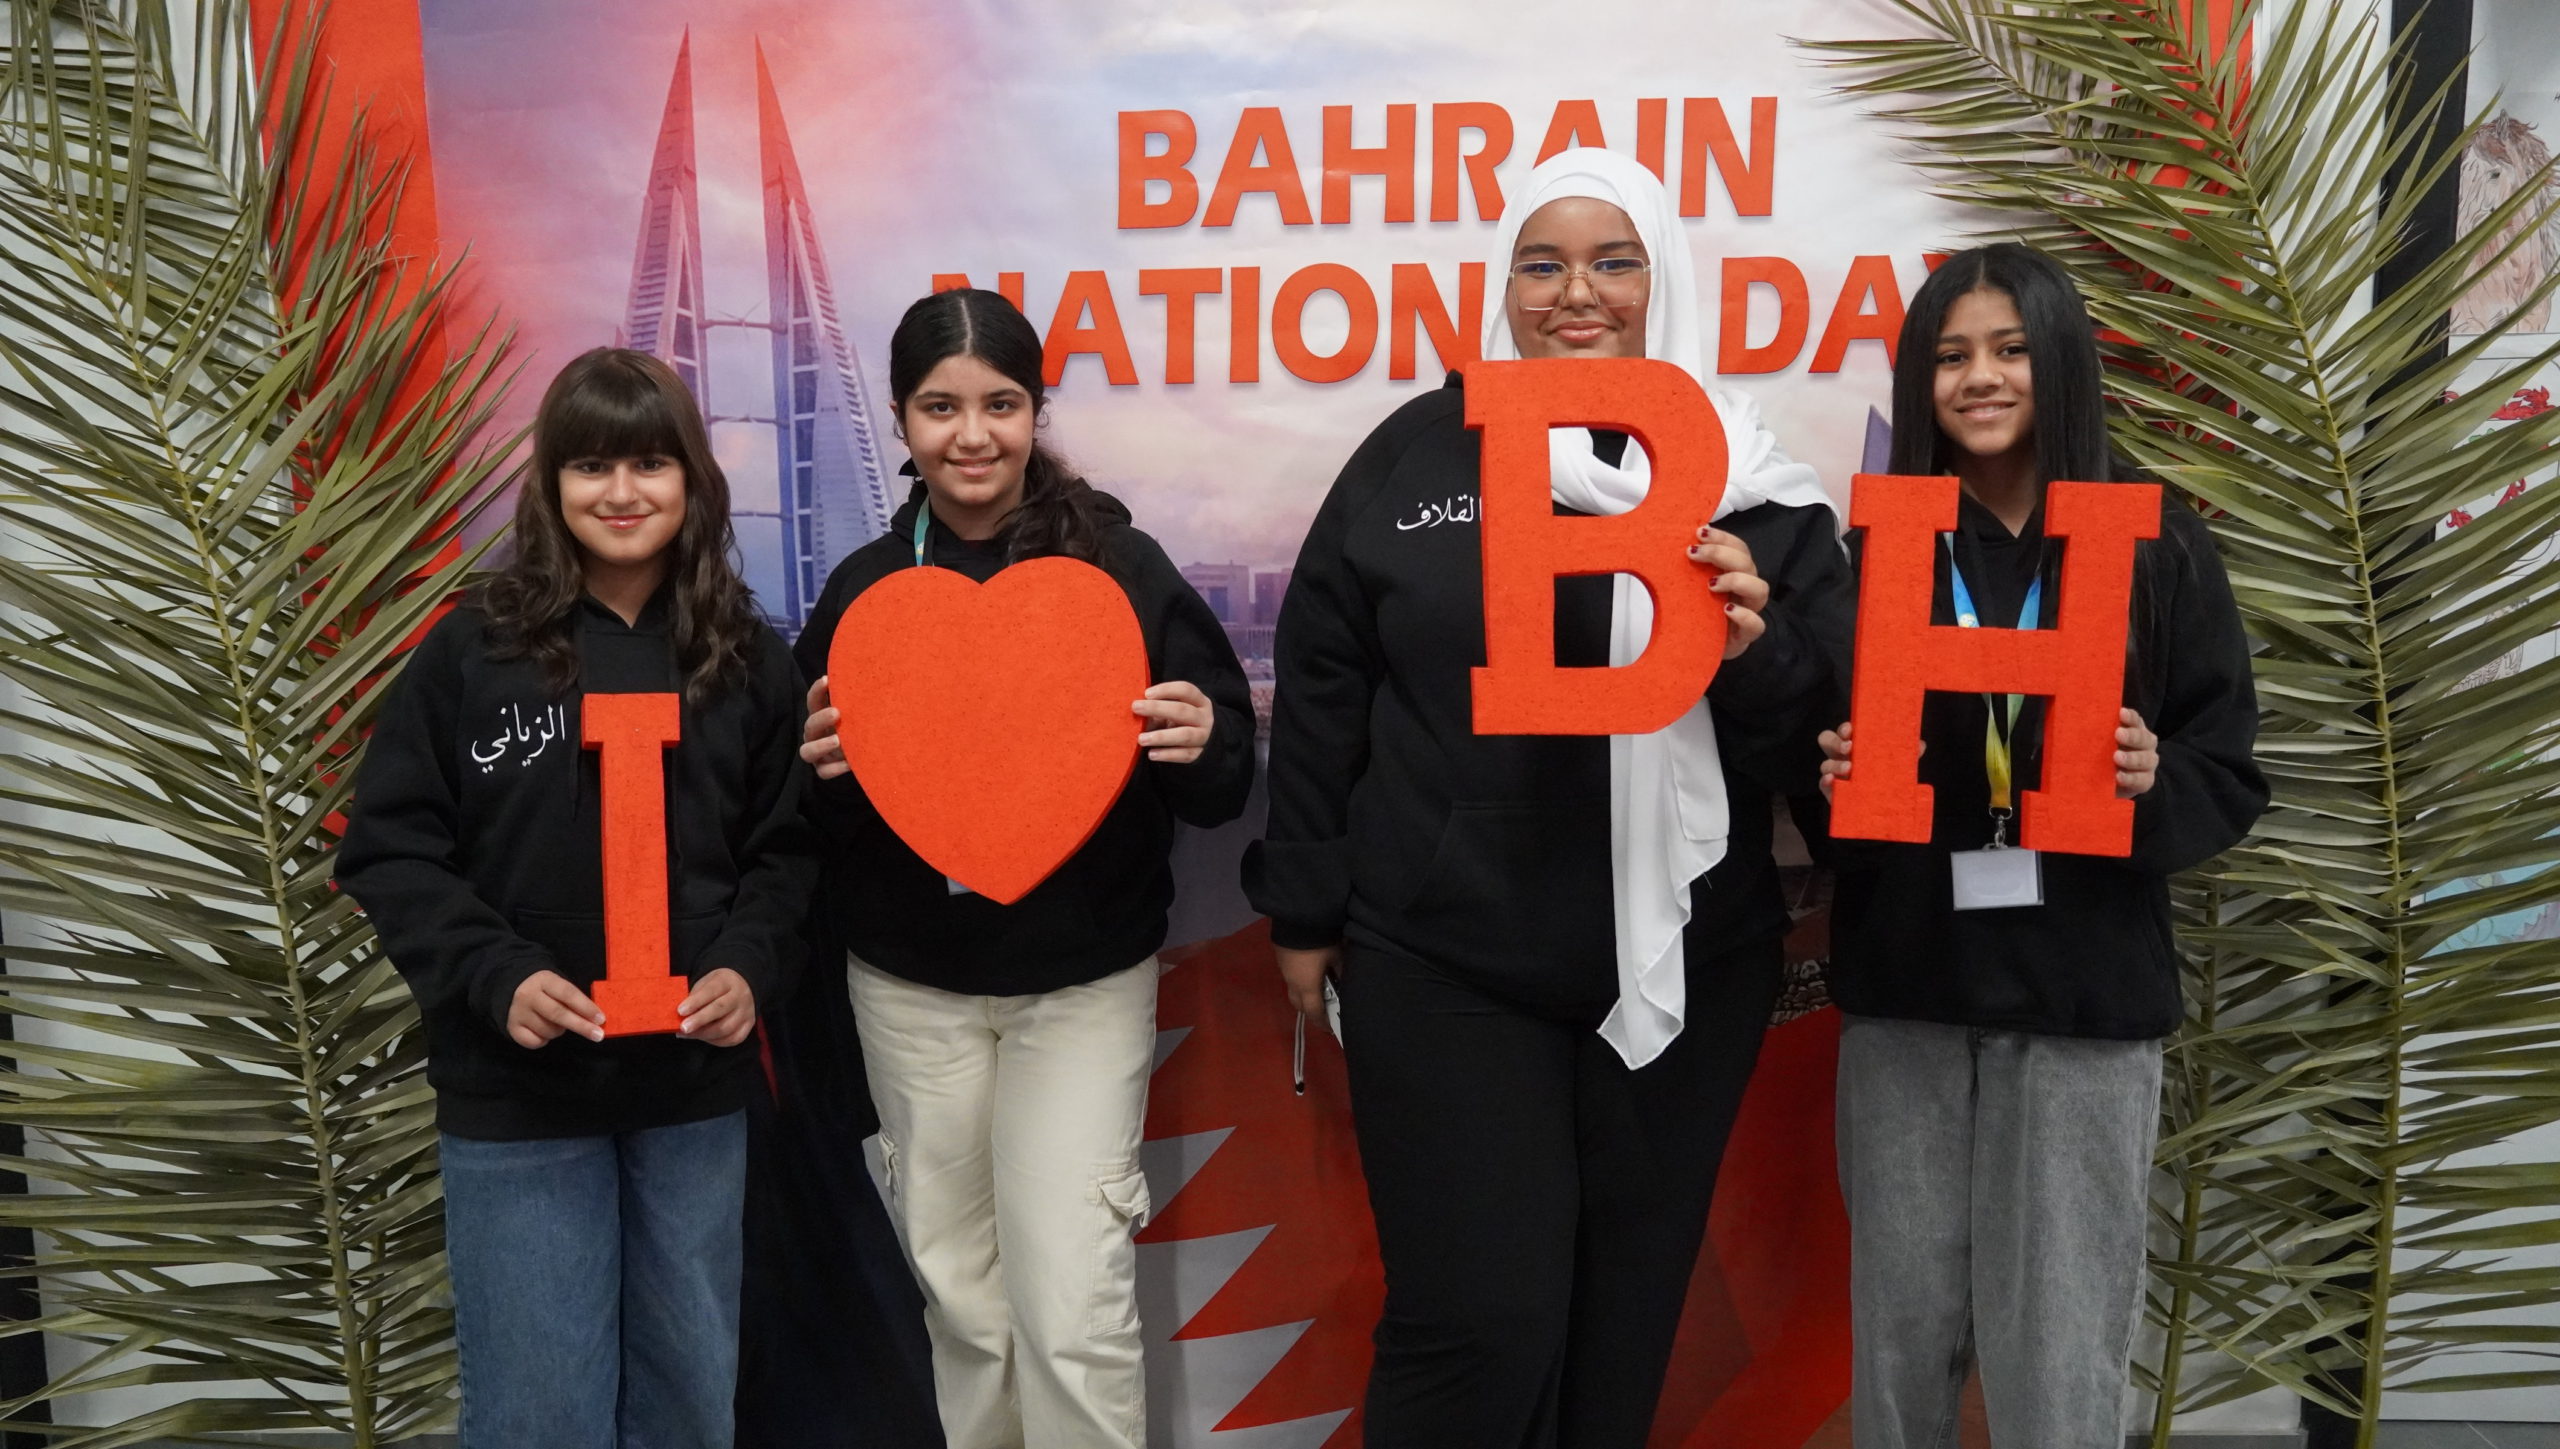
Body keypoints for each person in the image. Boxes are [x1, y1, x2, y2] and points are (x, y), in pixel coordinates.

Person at [1244, 147, 1854, 1448]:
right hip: (1445, 960)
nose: (1578, 292)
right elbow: (1324, 682)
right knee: (1480, 1324)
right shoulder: (1417, 457)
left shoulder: (1753, 482)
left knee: (1618, 1333)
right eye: (1543, 264)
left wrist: (1756, 651)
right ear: (1502, 284)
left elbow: (1829, 728)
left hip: (1686, 964)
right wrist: (1302, 910)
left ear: (1662, 276)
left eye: (1613, 261)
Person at [1815, 241, 2268, 1449]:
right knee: (1898, 1346)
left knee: (2060, 1355)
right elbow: (1824, 785)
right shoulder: (1880, 550)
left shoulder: (2155, 541)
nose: (1979, 377)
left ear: (2059, 361)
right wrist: (1833, 775)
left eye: (2009, 349)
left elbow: (2228, 769)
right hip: (1909, 989)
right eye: (1950, 355)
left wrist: (2153, 777)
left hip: (2084, 998)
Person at [795, 288, 1254, 1449]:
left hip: (1079, 984)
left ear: (1036, 410)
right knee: (960, 1298)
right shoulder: (863, 590)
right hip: (908, 989)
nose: (972, 435)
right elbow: (805, 813)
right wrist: (817, 772)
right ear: (901, 420)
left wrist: (1208, 738)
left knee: (1072, 1302)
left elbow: (1218, 783)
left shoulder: (1122, 568)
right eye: (939, 407)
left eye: (999, 404)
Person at [337, 348, 815, 1449]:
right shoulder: (474, 649)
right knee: (537, 1413)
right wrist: (494, 974)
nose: (622, 491)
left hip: (691, 1095)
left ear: (693, 480)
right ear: (551, 485)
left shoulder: (747, 659)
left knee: (689, 1405)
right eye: (591, 465)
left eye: (651, 463)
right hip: (520, 1098)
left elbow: (788, 854)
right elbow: (391, 850)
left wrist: (746, 966)